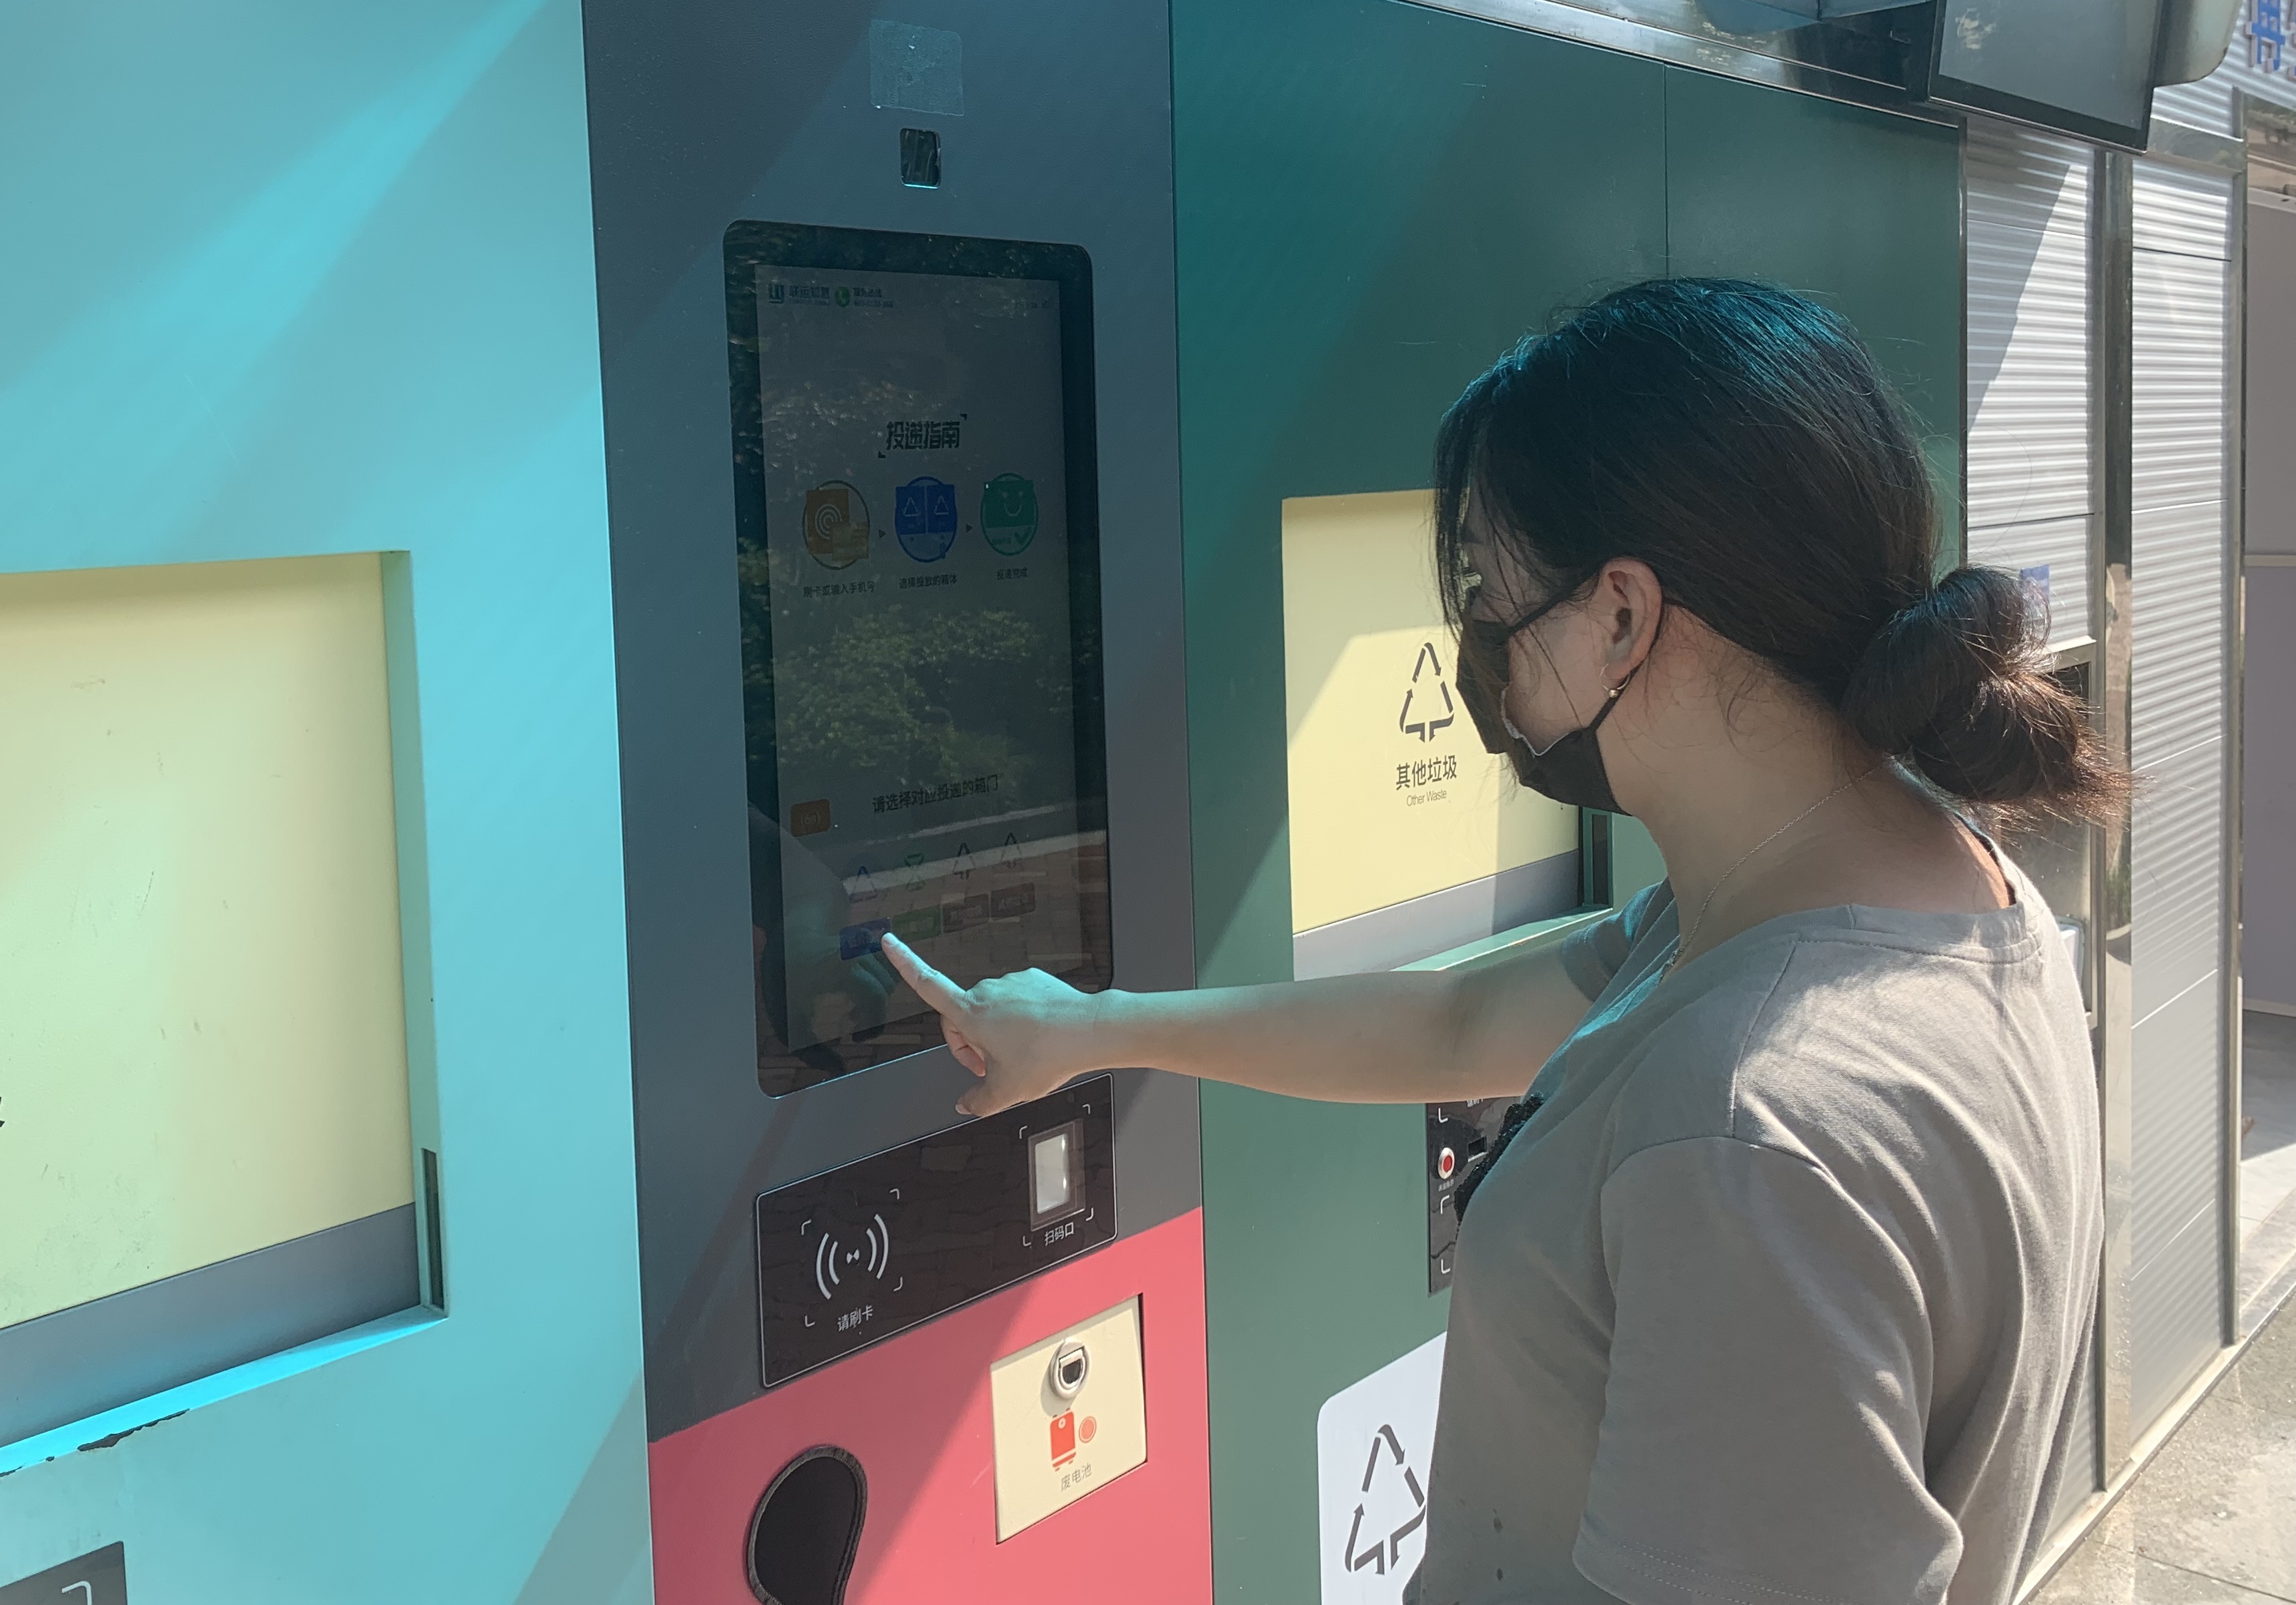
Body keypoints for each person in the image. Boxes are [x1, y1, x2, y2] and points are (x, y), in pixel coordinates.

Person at [883, 278, 2112, 1605]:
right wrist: (1093, 1029)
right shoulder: (1919, 892)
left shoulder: (1747, 1130)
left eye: (1485, 582)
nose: (1473, 636)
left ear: (1622, 616)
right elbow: (1453, 1025)